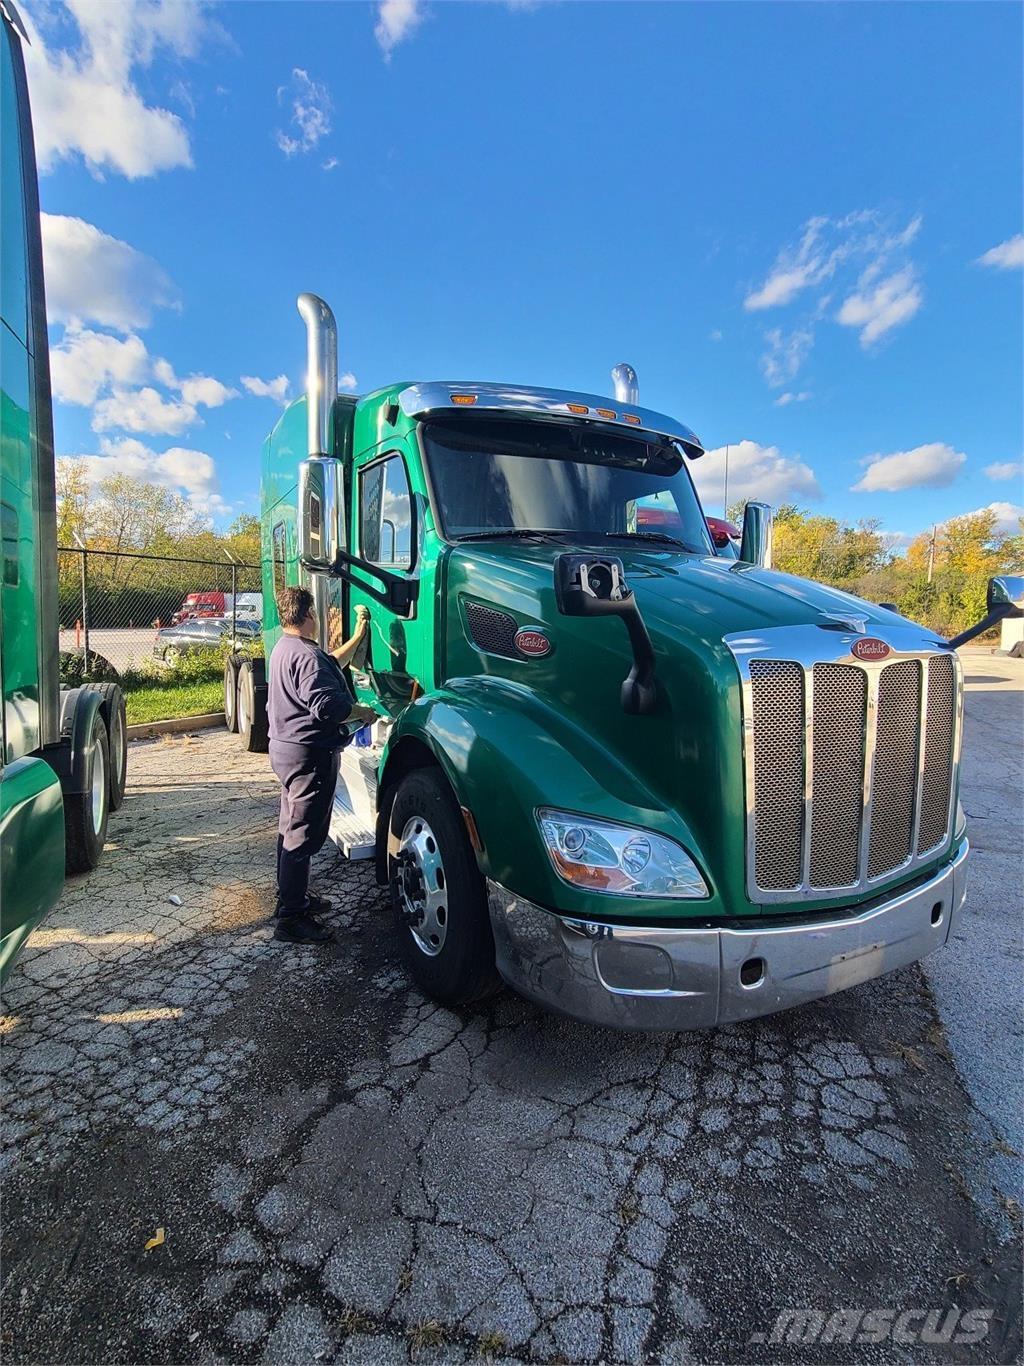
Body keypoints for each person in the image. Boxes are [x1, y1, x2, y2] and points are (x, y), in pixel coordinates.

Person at [267, 586, 375, 943]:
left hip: (285, 750)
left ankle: (292, 897)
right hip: (309, 754)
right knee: (302, 836)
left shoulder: (287, 649)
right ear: (309, 615)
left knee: (289, 828)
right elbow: (328, 706)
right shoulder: (307, 657)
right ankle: (291, 919)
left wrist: (359, 635)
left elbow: (332, 663)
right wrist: (364, 713)